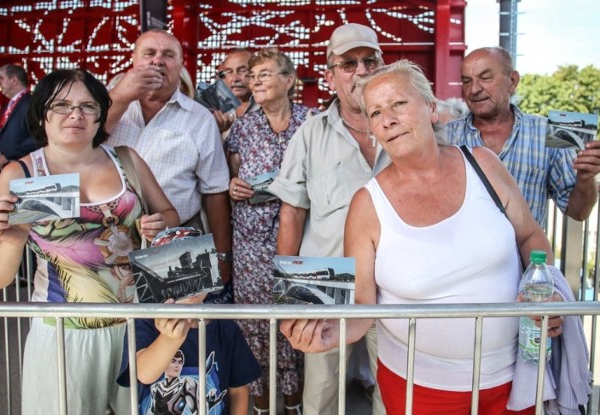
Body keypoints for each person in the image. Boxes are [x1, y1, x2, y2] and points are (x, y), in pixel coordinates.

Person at [280, 60, 567, 415]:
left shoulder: (484, 164)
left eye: (399, 104)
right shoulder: (367, 205)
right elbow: (363, 306)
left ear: (431, 108)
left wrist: (544, 290)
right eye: (376, 113)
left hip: (512, 379)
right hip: (418, 388)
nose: (388, 119)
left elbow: (531, 238)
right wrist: (328, 334)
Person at [0, 68, 179, 414]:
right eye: (61, 105)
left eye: (88, 106)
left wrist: (158, 223)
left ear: (99, 115)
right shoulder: (20, 174)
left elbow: (168, 213)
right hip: (64, 330)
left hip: (137, 325)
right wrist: (12, 240)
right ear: (42, 114)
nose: (75, 114)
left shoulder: (126, 159)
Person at [267, 23, 390, 415]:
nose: (360, 71)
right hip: (326, 277)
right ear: (330, 75)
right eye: (348, 63)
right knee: (321, 392)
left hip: (395, 280)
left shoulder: (404, 126)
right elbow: (292, 211)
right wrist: (288, 294)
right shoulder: (310, 133)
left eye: (369, 61)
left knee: (394, 386)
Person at [225, 47, 317, 415]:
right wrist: (235, 187)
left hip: (303, 241)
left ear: (289, 81)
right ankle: (262, 407)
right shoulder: (243, 128)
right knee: (255, 329)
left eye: (265, 73)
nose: (255, 80)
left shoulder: (313, 122)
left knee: (298, 327)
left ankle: (295, 405)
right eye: (253, 75)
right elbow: (231, 178)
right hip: (250, 244)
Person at [105, 29, 233, 284]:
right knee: (117, 320)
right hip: (107, 245)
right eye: (149, 53)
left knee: (176, 322)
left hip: (176, 244)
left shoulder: (199, 118)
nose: (158, 61)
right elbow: (83, 140)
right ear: (133, 61)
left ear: (181, 65)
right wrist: (121, 96)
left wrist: (222, 258)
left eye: (168, 55)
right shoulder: (105, 105)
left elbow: (215, 192)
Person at [444, 47, 600, 228]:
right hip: (462, 255)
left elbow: (578, 213)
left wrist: (586, 178)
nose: (474, 89)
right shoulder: (445, 136)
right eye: (466, 81)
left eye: (485, 78)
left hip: (528, 256)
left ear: (513, 81)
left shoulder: (552, 130)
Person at [118, 294, 262, 415]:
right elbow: (144, 373)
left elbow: (238, 390)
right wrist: (171, 338)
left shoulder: (226, 328)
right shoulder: (145, 318)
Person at [0, 64, 38, 172]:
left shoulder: (30, 103)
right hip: (4, 168)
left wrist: (8, 155)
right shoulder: (9, 105)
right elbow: (3, 135)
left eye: (1, 78)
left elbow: (38, 137)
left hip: (20, 168)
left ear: (14, 80)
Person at [214, 49, 256, 136]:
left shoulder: (270, 109)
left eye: (242, 70)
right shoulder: (216, 111)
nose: (235, 78)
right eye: (229, 71)